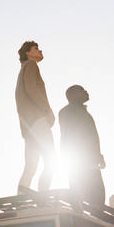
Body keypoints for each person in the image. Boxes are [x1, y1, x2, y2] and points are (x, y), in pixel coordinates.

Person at [14, 41, 55, 194]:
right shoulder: (31, 65)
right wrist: (47, 110)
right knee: (51, 160)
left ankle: (21, 198)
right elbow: (32, 89)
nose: (40, 50)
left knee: (31, 165)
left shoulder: (22, 70)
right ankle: (43, 196)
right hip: (38, 121)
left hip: (28, 125)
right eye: (36, 48)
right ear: (28, 53)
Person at [58, 84, 106, 206]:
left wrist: (99, 156)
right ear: (73, 94)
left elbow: (92, 137)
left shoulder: (85, 113)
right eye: (82, 90)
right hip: (79, 162)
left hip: (91, 161)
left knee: (98, 197)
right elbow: (68, 137)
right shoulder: (66, 112)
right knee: (81, 196)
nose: (86, 91)